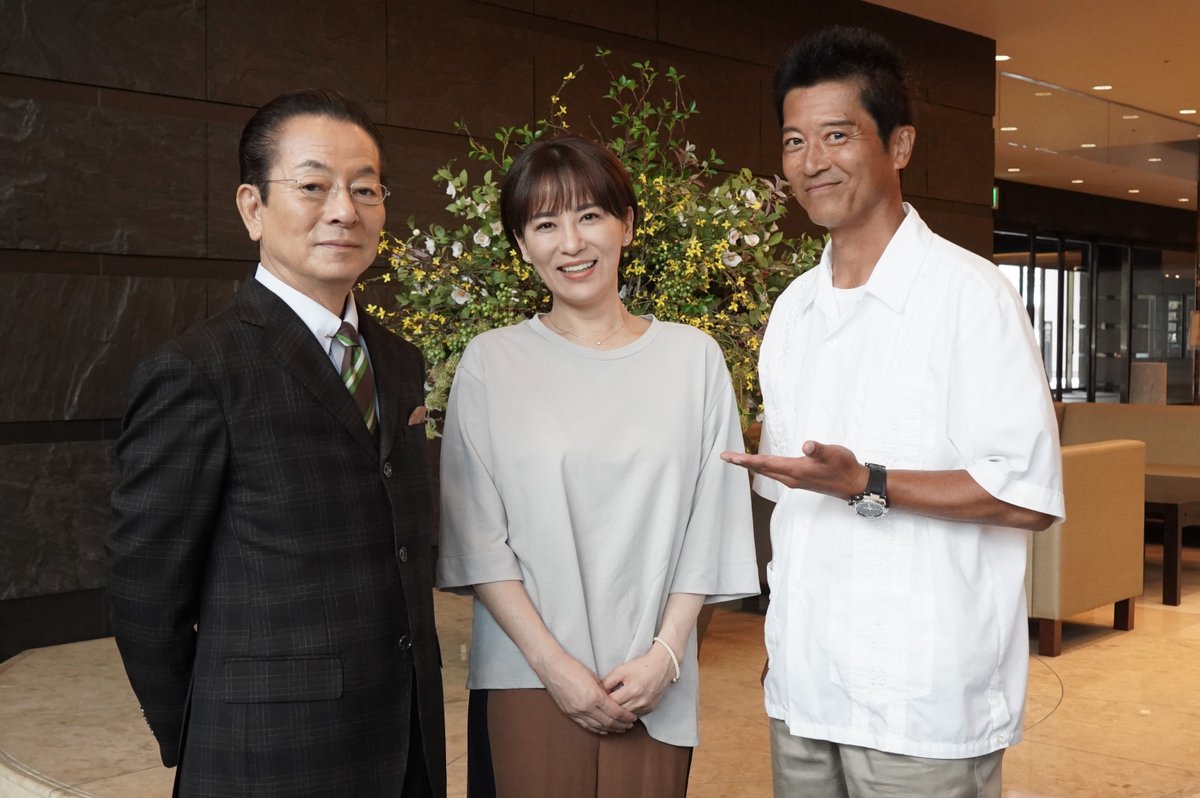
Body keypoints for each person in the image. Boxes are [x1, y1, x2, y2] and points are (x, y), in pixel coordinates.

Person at [720, 27, 1065, 798]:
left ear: (899, 145)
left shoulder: (970, 297)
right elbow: (792, 511)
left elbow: (1026, 496)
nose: (813, 161)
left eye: (837, 135)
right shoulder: (792, 310)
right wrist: (784, 641)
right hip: (805, 692)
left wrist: (868, 482)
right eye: (795, 141)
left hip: (924, 700)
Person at [107, 89, 445, 797]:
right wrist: (202, 728)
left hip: (405, 741)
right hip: (266, 755)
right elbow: (145, 588)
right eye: (313, 186)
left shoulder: (399, 360)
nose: (344, 210)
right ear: (252, 207)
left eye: (365, 189)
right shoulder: (198, 369)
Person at [436, 136, 759, 797]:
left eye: (589, 216)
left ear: (627, 225)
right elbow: (477, 537)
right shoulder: (492, 362)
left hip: (655, 680)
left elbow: (712, 523)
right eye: (545, 224)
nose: (571, 243)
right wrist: (554, 667)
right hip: (529, 675)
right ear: (522, 245)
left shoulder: (693, 360)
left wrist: (666, 655)